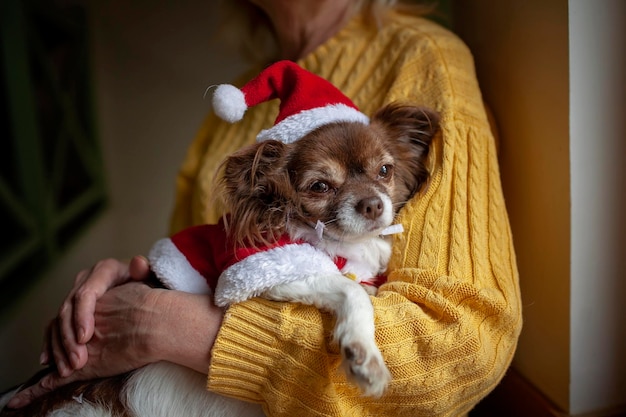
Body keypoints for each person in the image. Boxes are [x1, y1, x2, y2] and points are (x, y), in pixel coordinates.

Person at [7, 0, 522, 415]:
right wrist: (126, 279)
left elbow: (462, 348)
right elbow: (210, 264)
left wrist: (162, 327)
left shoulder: (424, 60)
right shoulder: (229, 115)